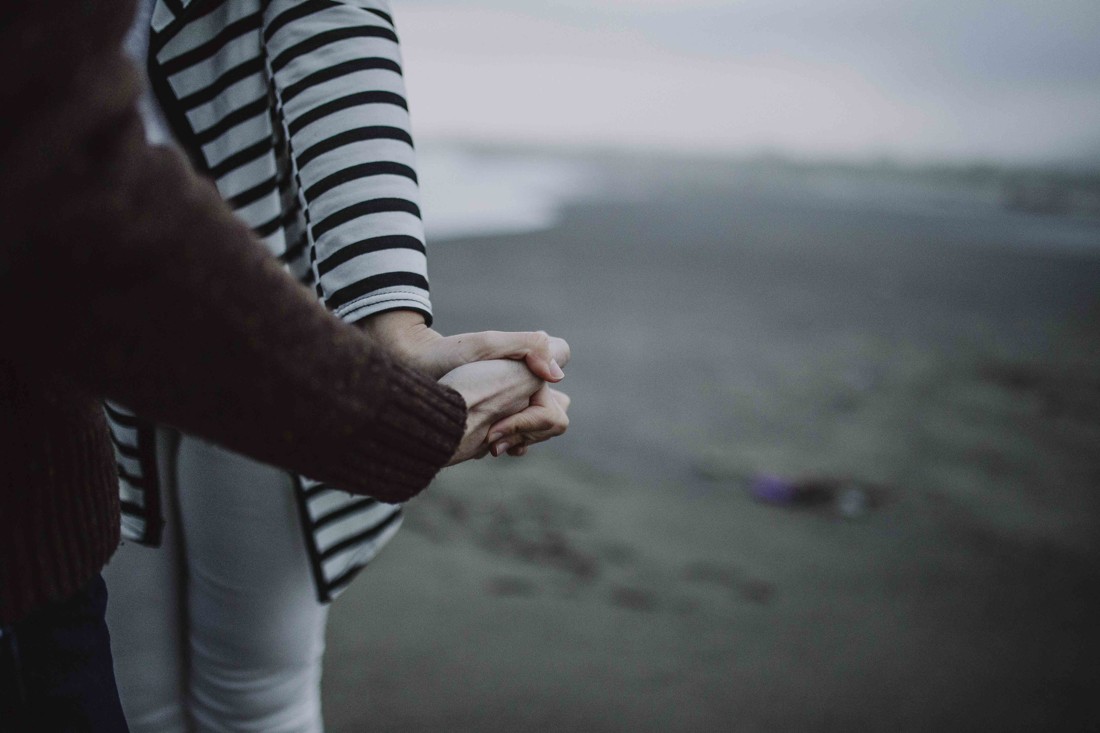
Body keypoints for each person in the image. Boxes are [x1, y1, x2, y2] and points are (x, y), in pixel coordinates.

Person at [0, 1, 568, 730]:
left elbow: (336, 40)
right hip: (79, 367)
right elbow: (62, 163)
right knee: (150, 695)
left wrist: (394, 327)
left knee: (239, 696)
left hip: (263, 336)